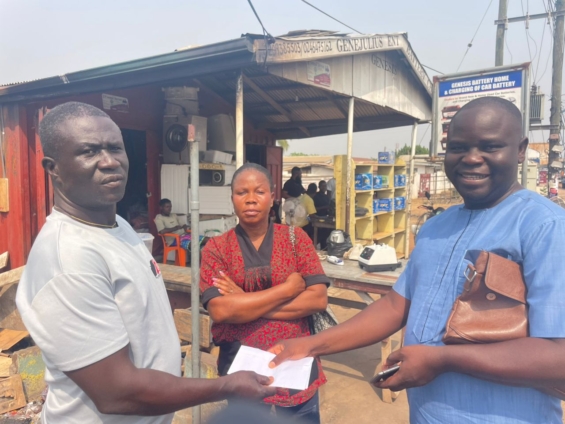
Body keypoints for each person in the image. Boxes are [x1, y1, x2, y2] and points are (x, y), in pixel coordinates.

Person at [269, 97, 565, 423]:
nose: (471, 158)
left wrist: (442, 360)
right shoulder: (436, 227)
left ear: (520, 150)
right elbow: (395, 306)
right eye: (458, 147)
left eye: (490, 147)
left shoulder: (545, 227)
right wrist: (311, 345)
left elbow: (559, 357)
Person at [15, 102, 275, 424]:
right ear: (53, 167)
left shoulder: (119, 227)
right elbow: (117, 392)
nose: (109, 161)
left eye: (115, 148)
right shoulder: (68, 260)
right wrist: (226, 385)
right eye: (89, 151)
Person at [199, 163, 329, 423]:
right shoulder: (217, 248)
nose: (250, 199)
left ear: (272, 196)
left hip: (295, 363)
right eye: (242, 192)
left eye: (259, 192)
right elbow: (221, 310)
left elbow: (317, 298)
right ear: (232, 198)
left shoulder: (296, 239)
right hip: (241, 367)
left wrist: (243, 301)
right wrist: (287, 290)